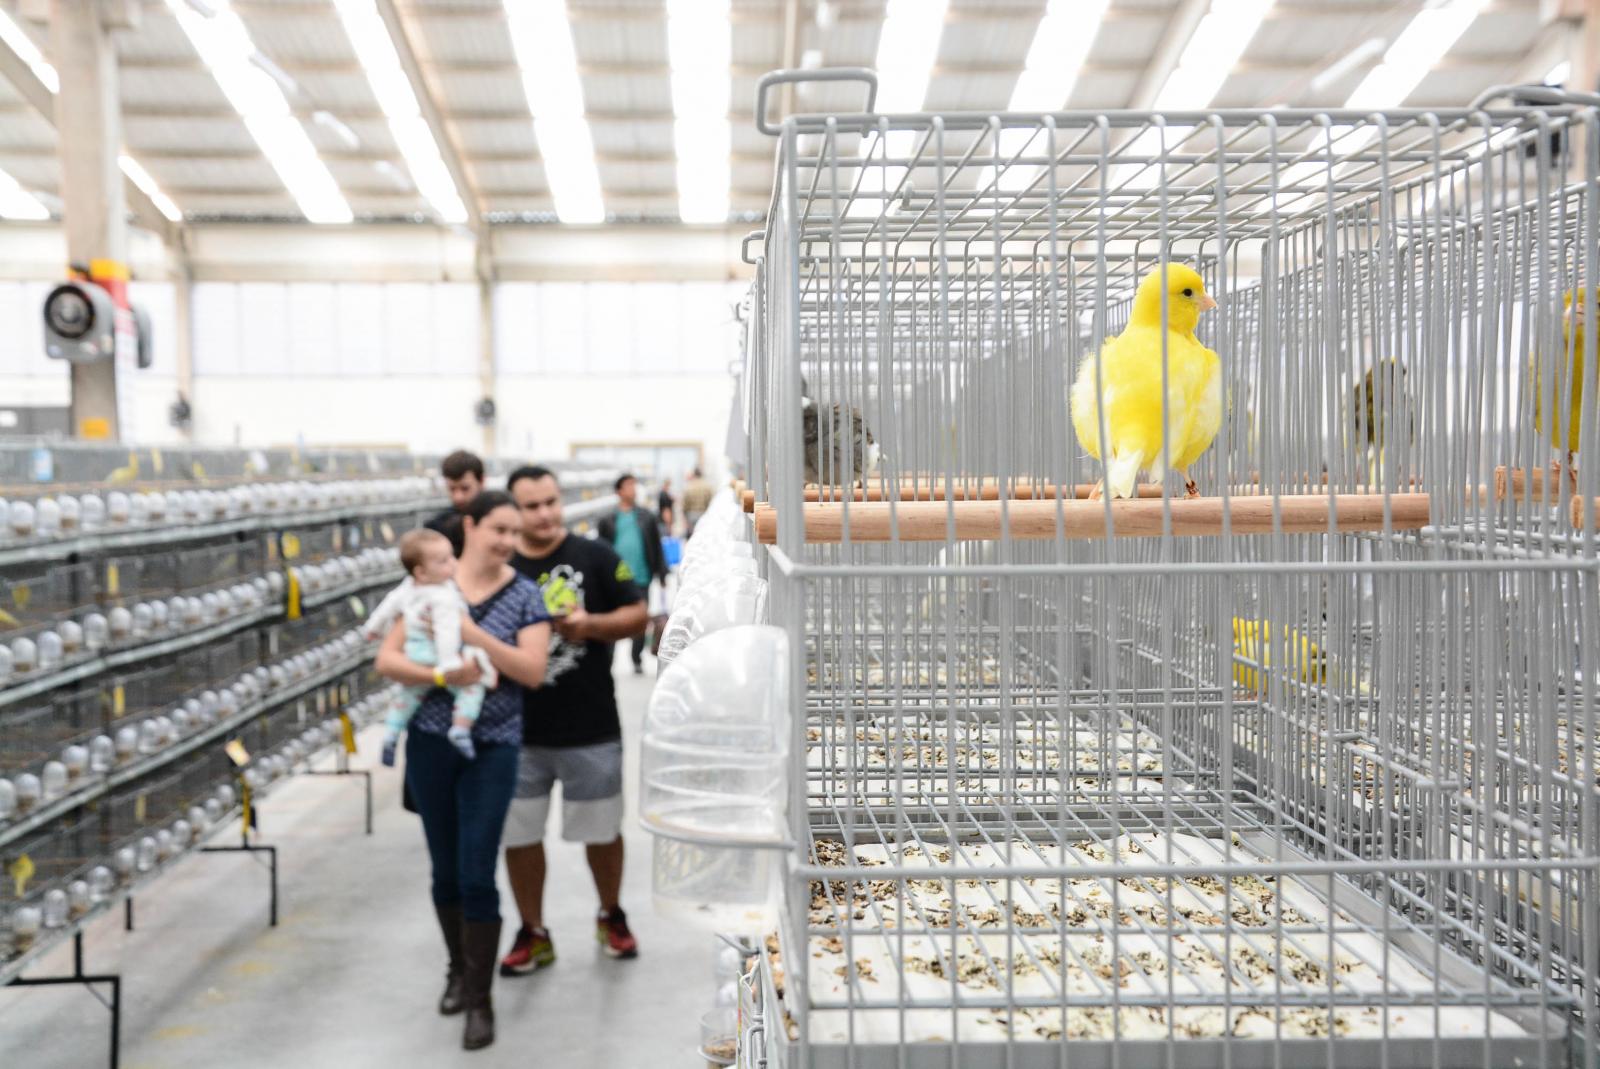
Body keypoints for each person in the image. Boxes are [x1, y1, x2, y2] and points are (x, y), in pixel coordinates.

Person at [374, 491, 550, 1052]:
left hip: (493, 746)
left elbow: (531, 669)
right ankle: (457, 969)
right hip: (430, 743)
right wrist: (448, 677)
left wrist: (473, 639)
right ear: (470, 527)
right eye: (498, 529)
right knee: (444, 868)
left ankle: (481, 998)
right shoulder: (428, 588)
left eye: (513, 533)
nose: (506, 541)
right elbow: (387, 659)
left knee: (477, 871)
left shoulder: (524, 595)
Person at [500, 465, 648, 975]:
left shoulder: (595, 557)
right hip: (516, 730)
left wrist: (590, 625)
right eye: (531, 505)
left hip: (591, 725)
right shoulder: (503, 567)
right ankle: (533, 930)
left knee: (602, 831)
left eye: (550, 502)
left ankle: (611, 914)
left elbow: (638, 614)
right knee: (518, 837)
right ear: (513, 511)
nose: (544, 514)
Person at [362, 528, 498, 765]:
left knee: (407, 697)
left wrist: (373, 628)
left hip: (414, 653)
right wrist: (449, 665)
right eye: (444, 561)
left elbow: (388, 606)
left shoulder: (408, 588)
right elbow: (447, 632)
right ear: (422, 572)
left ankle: (392, 734)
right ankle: (460, 727)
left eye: (451, 557)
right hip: (437, 656)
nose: (453, 564)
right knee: (471, 689)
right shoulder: (442, 596)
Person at [596, 473, 669, 674]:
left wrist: (662, 574)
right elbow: (600, 549)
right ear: (619, 491)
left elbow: (656, 546)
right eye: (629, 486)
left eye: (634, 485)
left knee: (639, 620)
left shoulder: (646, 517)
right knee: (611, 620)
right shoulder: (608, 520)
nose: (633, 489)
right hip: (614, 579)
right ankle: (607, 660)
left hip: (641, 576)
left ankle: (636, 658)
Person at [426, 450, 486, 552]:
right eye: (452, 489)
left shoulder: (499, 520)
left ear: (481, 482)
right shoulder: (436, 527)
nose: (458, 497)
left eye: (465, 488)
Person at [680, 467, 713, 539]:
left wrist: (685, 518)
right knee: (703, 538)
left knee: (692, 538)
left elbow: (684, 505)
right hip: (703, 515)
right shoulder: (707, 487)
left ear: (694, 475)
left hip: (691, 516)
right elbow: (711, 503)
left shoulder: (688, 487)